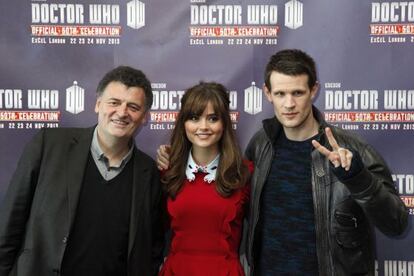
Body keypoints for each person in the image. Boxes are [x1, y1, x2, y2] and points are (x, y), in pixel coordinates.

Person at [157, 49, 408, 275]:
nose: (289, 104)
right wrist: (176, 160)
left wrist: (357, 177)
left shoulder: (352, 150)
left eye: (297, 93)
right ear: (268, 93)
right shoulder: (261, 145)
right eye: (280, 93)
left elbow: (396, 224)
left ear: (314, 90)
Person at [0, 66, 164, 276]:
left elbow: (152, 248)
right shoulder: (49, 145)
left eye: (133, 107)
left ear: (145, 117)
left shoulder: (148, 172)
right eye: (114, 102)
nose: (122, 112)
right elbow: (11, 222)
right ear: (98, 105)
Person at [158, 82, 252, 276]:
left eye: (212, 118)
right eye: (194, 117)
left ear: (224, 123)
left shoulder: (244, 173)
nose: (203, 126)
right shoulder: (167, 171)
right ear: (183, 122)